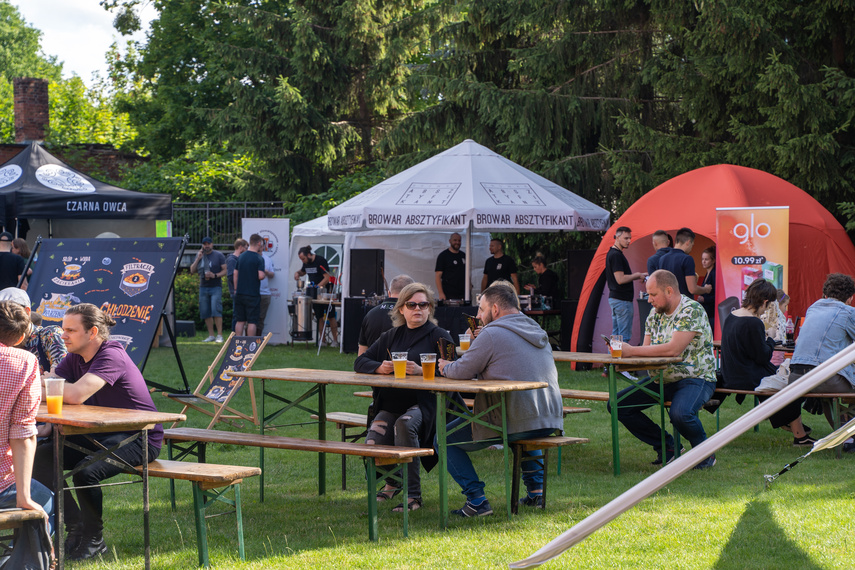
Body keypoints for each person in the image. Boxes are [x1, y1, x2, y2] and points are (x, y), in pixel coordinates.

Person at [34, 303, 164, 560]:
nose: (63, 335)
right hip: (98, 433)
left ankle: (94, 540)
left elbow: (73, 394)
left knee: (85, 472)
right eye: (63, 329)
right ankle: (76, 529)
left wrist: (48, 382)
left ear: (92, 332)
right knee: (41, 459)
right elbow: (51, 391)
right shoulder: (74, 356)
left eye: (70, 330)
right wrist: (49, 384)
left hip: (140, 436)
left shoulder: (111, 354)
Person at [437, 281, 564, 516]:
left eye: (481, 310)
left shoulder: (492, 333)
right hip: (548, 417)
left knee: (442, 440)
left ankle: (477, 501)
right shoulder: (535, 327)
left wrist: (445, 366)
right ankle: (536, 492)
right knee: (524, 416)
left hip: (514, 419)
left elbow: (461, 371)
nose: (478, 316)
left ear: (495, 309)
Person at [354, 283, 456, 512]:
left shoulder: (441, 337)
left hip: (427, 404)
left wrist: (422, 371)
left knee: (404, 425)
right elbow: (360, 361)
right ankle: (393, 481)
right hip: (392, 404)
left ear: (429, 308)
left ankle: (413, 496)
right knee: (372, 442)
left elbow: (456, 371)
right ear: (401, 309)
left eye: (423, 304)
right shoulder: (390, 336)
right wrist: (380, 367)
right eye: (411, 304)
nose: (417, 309)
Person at [609, 270, 717, 468]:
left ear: (669, 291)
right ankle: (668, 448)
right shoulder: (654, 313)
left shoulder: (691, 309)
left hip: (696, 378)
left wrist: (631, 351)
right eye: (648, 294)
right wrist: (625, 357)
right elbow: (647, 350)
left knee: (681, 414)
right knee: (618, 404)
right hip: (662, 378)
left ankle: (705, 453)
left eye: (652, 294)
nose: (648, 300)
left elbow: (674, 349)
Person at [719, 279, 814, 445]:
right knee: (790, 382)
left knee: (783, 376)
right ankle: (798, 433)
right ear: (765, 302)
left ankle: (790, 424)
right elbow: (762, 356)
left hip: (731, 373)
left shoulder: (732, 316)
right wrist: (770, 338)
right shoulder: (753, 322)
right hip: (746, 376)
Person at [0, 301, 54, 536]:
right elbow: (22, 433)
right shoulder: (24, 362)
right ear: (21, 338)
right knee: (48, 502)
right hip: (2, 483)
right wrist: (24, 497)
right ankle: (18, 561)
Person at [788, 273, 855, 433]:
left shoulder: (814, 308)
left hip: (796, 377)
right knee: (829, 387)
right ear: (851, 297)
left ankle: (845, 437)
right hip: (825, 378)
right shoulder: (848, 312)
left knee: (826, 395)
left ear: (825, 294)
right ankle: (848, 434)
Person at [0, 287, 66, 376]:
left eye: (11, 311)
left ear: (27, 311)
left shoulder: (49, 335)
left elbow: (62, 377)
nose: (5, 318)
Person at [605, 226, 647, 343]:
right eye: (626, 238)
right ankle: (620, 361)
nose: (629, 241)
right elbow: (620, 279)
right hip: (622, 300)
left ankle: (613, 361)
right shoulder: (616, 255)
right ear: (617, 237)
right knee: (623, 336)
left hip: (616, 299)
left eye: (630, 238)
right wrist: (638, 275)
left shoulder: (612, 253)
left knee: (616, 335)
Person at [357, 274, 415, 355]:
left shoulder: (370, 314)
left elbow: (362, 352)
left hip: (373, 366)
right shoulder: (411, 314)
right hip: (401, 366)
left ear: (389, 292)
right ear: (411, 293)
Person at [294, 245, 339, 344]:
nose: (303, 261)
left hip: (326, 293)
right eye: (301, 259)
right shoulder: (306, 263)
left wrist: (317, 287)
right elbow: (303, 272)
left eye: (303, 258)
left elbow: (327, 277)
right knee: (319, 317)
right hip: (314, 294)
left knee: (330, 316)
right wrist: (297, 273)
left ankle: (335, 341)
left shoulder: (320, 260)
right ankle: (322, 340)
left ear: (309, 255)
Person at [189, 236, 227, 343]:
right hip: (203, 287)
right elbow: (192, 270)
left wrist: (215, 275)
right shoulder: (199, 255)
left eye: (208, 244)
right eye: (204, 244)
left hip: (215, 286)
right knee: (205, 312)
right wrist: (198, 258)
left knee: (216, 310)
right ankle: (211, 335)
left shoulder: (219, 255)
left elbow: (225, 270)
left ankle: (219, 335)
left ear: (212, 244)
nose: (206, 246)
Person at [658, 227, 711, 298]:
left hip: (668, 302)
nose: (691, 248)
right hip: (683, 304)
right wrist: (706, 289)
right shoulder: (687, 259)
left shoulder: (662, 258)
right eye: (692, 245)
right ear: (688, 242)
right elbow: (692, 289)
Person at [233, 234, 266, 337]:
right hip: (252, 294)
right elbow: (260, 276)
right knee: (252, 321)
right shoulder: (259, 258)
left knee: (240, 321)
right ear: (259, 243)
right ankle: (250, 344)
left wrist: (235, 289)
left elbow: (235, 273)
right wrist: (263, 274)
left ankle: (237, 343)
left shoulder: (241, 256)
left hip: (240, 293)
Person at [435, 233, 467, 303]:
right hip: (448, 293)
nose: (457, 242)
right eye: (455, 240)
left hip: (463, 293)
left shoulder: (464, 255)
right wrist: (441, 293)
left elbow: (467, 273)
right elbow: (438, 276)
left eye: (459, 240)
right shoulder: (443, 256)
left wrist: (469, 286)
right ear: (450, 241)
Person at [697, 245, 716, 326]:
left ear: (713, 260)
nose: (703, 262)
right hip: (706, 312)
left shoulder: (714, 274)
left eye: (706, 259)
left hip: (712, 314)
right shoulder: (707, 273)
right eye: (702, 259)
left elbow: (717, 295)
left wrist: (705, 299)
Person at [257, 254, 275, 336]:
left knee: (261, 318)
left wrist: (267, 272)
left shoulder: (267, 259)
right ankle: (248, 341)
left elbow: (272, 274)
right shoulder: (250, 257)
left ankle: (257, 341)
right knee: (250, 319)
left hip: (265, 293)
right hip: (252, 293)